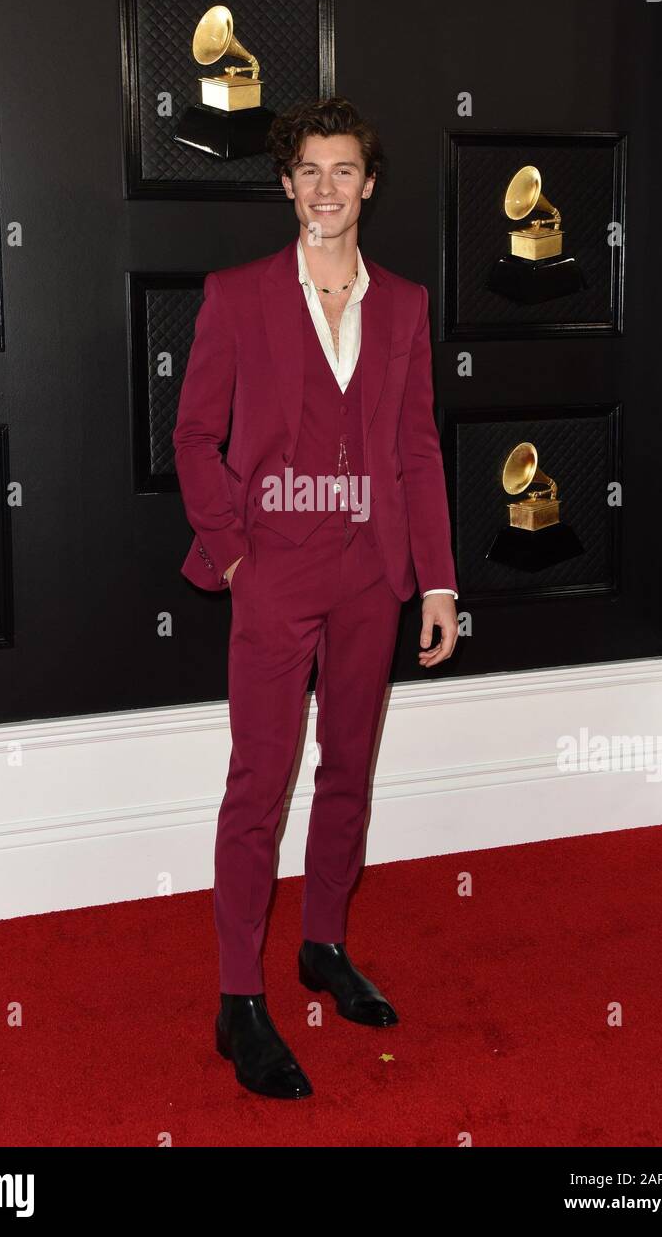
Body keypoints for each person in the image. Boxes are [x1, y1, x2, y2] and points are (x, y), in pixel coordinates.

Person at [172, 96, 459, 1099]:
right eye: (309, 170)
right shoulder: (237, 294)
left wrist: (435, 579)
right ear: (285, 182)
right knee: (259, 781)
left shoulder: (406, 306)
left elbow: (417, 449)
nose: (326, 188)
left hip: (372, 574)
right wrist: (238, 557)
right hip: (275, 568)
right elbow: (192, 438)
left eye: (345, 170)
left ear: (366, 185)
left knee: (349, 770)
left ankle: (322, 947)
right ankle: (236, 998)